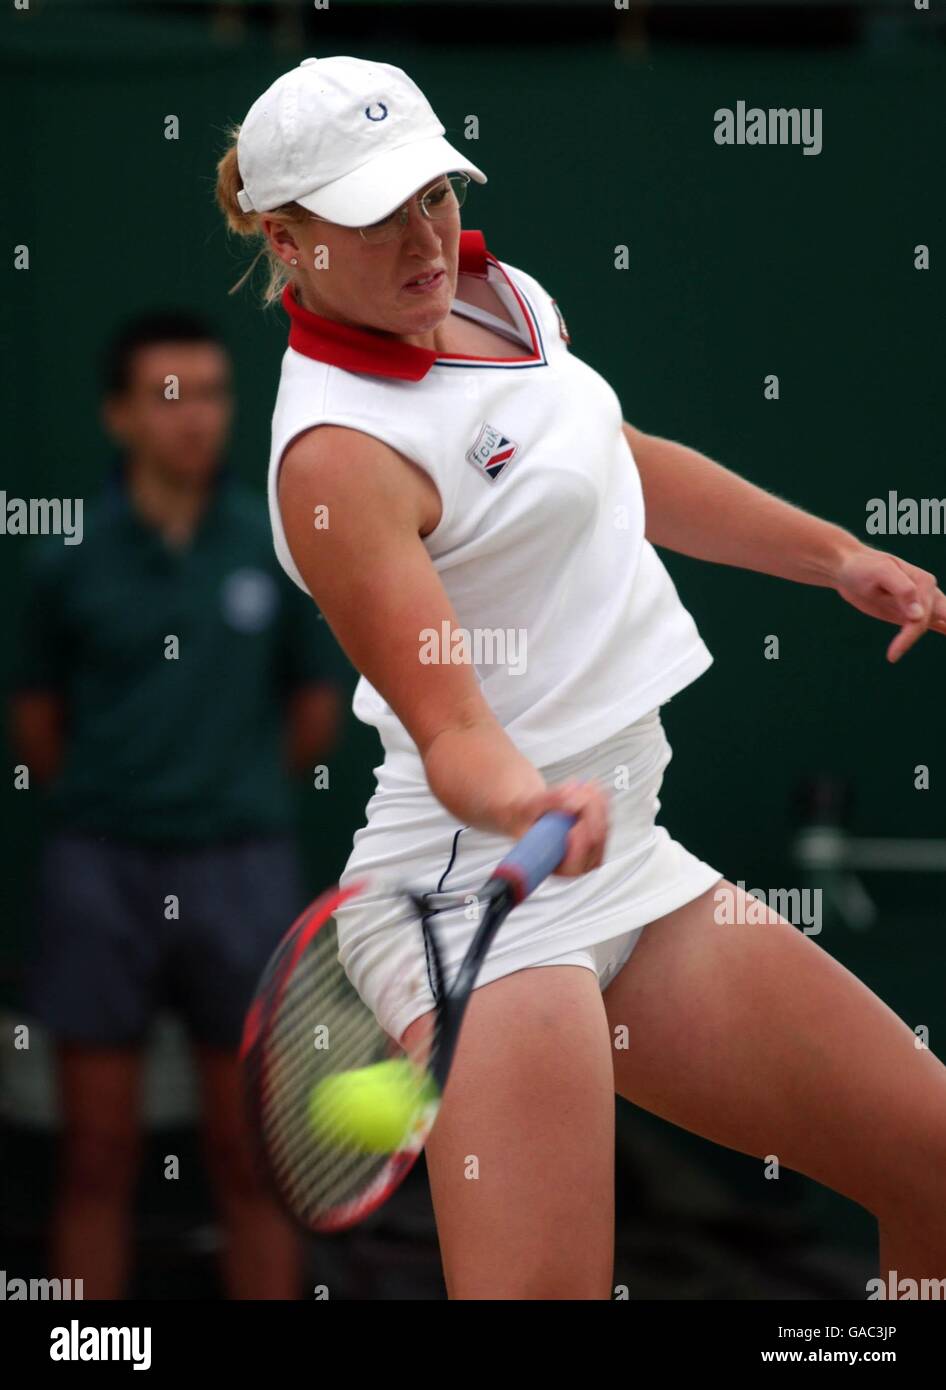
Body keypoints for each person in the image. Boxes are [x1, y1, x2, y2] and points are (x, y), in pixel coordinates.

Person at [215, 56, 946, 1300]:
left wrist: (834, 557)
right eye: (374, 215)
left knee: (931, 1163)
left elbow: (620, 459)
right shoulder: (337, 458)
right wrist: (522, 804)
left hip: (632, 863)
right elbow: (448, 720)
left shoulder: (500, 295)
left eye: (432, 193)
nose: (421, 235)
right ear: (288, 242)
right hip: (482, 899)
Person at [10, 310, 346, 1299]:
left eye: (210, 393)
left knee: (253, 1161)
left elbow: (314, 713)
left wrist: (218, 794)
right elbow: (36, 721)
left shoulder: (272, 546)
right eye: (168, 396)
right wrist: (125, 799)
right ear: (119, 415)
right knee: (97, 1158)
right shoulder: (66, 557)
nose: (195, 417)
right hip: (97, 873)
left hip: (242, 873)